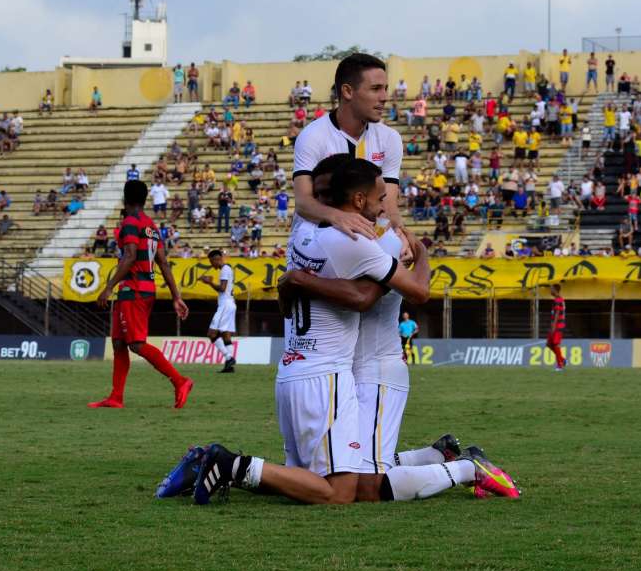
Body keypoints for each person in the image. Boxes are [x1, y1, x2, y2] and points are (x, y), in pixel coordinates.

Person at [166, 157, 518, 506]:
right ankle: (466, 469)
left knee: (334, 481)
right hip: (334, 374)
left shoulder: (302, 233)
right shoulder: (364, 242)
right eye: (381, 199)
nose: (386, 210)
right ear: (358, 199)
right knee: (353, 489)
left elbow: (296, 299)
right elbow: (391, 294)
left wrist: (297, 279)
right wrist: (420, 251)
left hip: (305, 370)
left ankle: (439, 455)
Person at [90, 180, 193, 409]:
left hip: (133, 289)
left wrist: (108, 287)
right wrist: (176, 296)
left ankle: (180, 380)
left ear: (125, 199)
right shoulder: (151, 227)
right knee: (118, 342)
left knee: (136, 344)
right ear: (146, 199)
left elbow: (129, 255)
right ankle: (116, 397)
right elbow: (164, 263)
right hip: (143, 289)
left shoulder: (130, 223)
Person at [291, 53, 404, 245]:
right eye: (376, 89)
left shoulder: (390, 138)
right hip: (314, 244)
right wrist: (339, 217)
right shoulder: (313, 136)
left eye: (385, 88)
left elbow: (388, 205)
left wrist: (400, 235)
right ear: (347, 92)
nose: (384, 97)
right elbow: (303, 203)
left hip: (364, 242)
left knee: (399, 251)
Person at [200, 250, 237, 373]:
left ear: (217, 259)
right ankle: (229, 366)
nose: (212, 265)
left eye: (211, 262)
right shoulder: (227, 269)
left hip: (225, 305)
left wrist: (209, 282)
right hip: (230, 303)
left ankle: (229, 358)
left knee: (211, 334)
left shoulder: (225, 269)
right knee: (226, 334)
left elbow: (222, 288)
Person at [546, 283, 566, 371]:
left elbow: (557, 313)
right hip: (555, 325)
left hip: (558, 325)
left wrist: (553, 326)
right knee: (549, 344)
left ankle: (560, 365)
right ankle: (562, 359)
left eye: (551, 289)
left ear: (555, 290)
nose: (550, 291)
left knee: (556, 344)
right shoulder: (559, 299)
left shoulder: (558, 300)